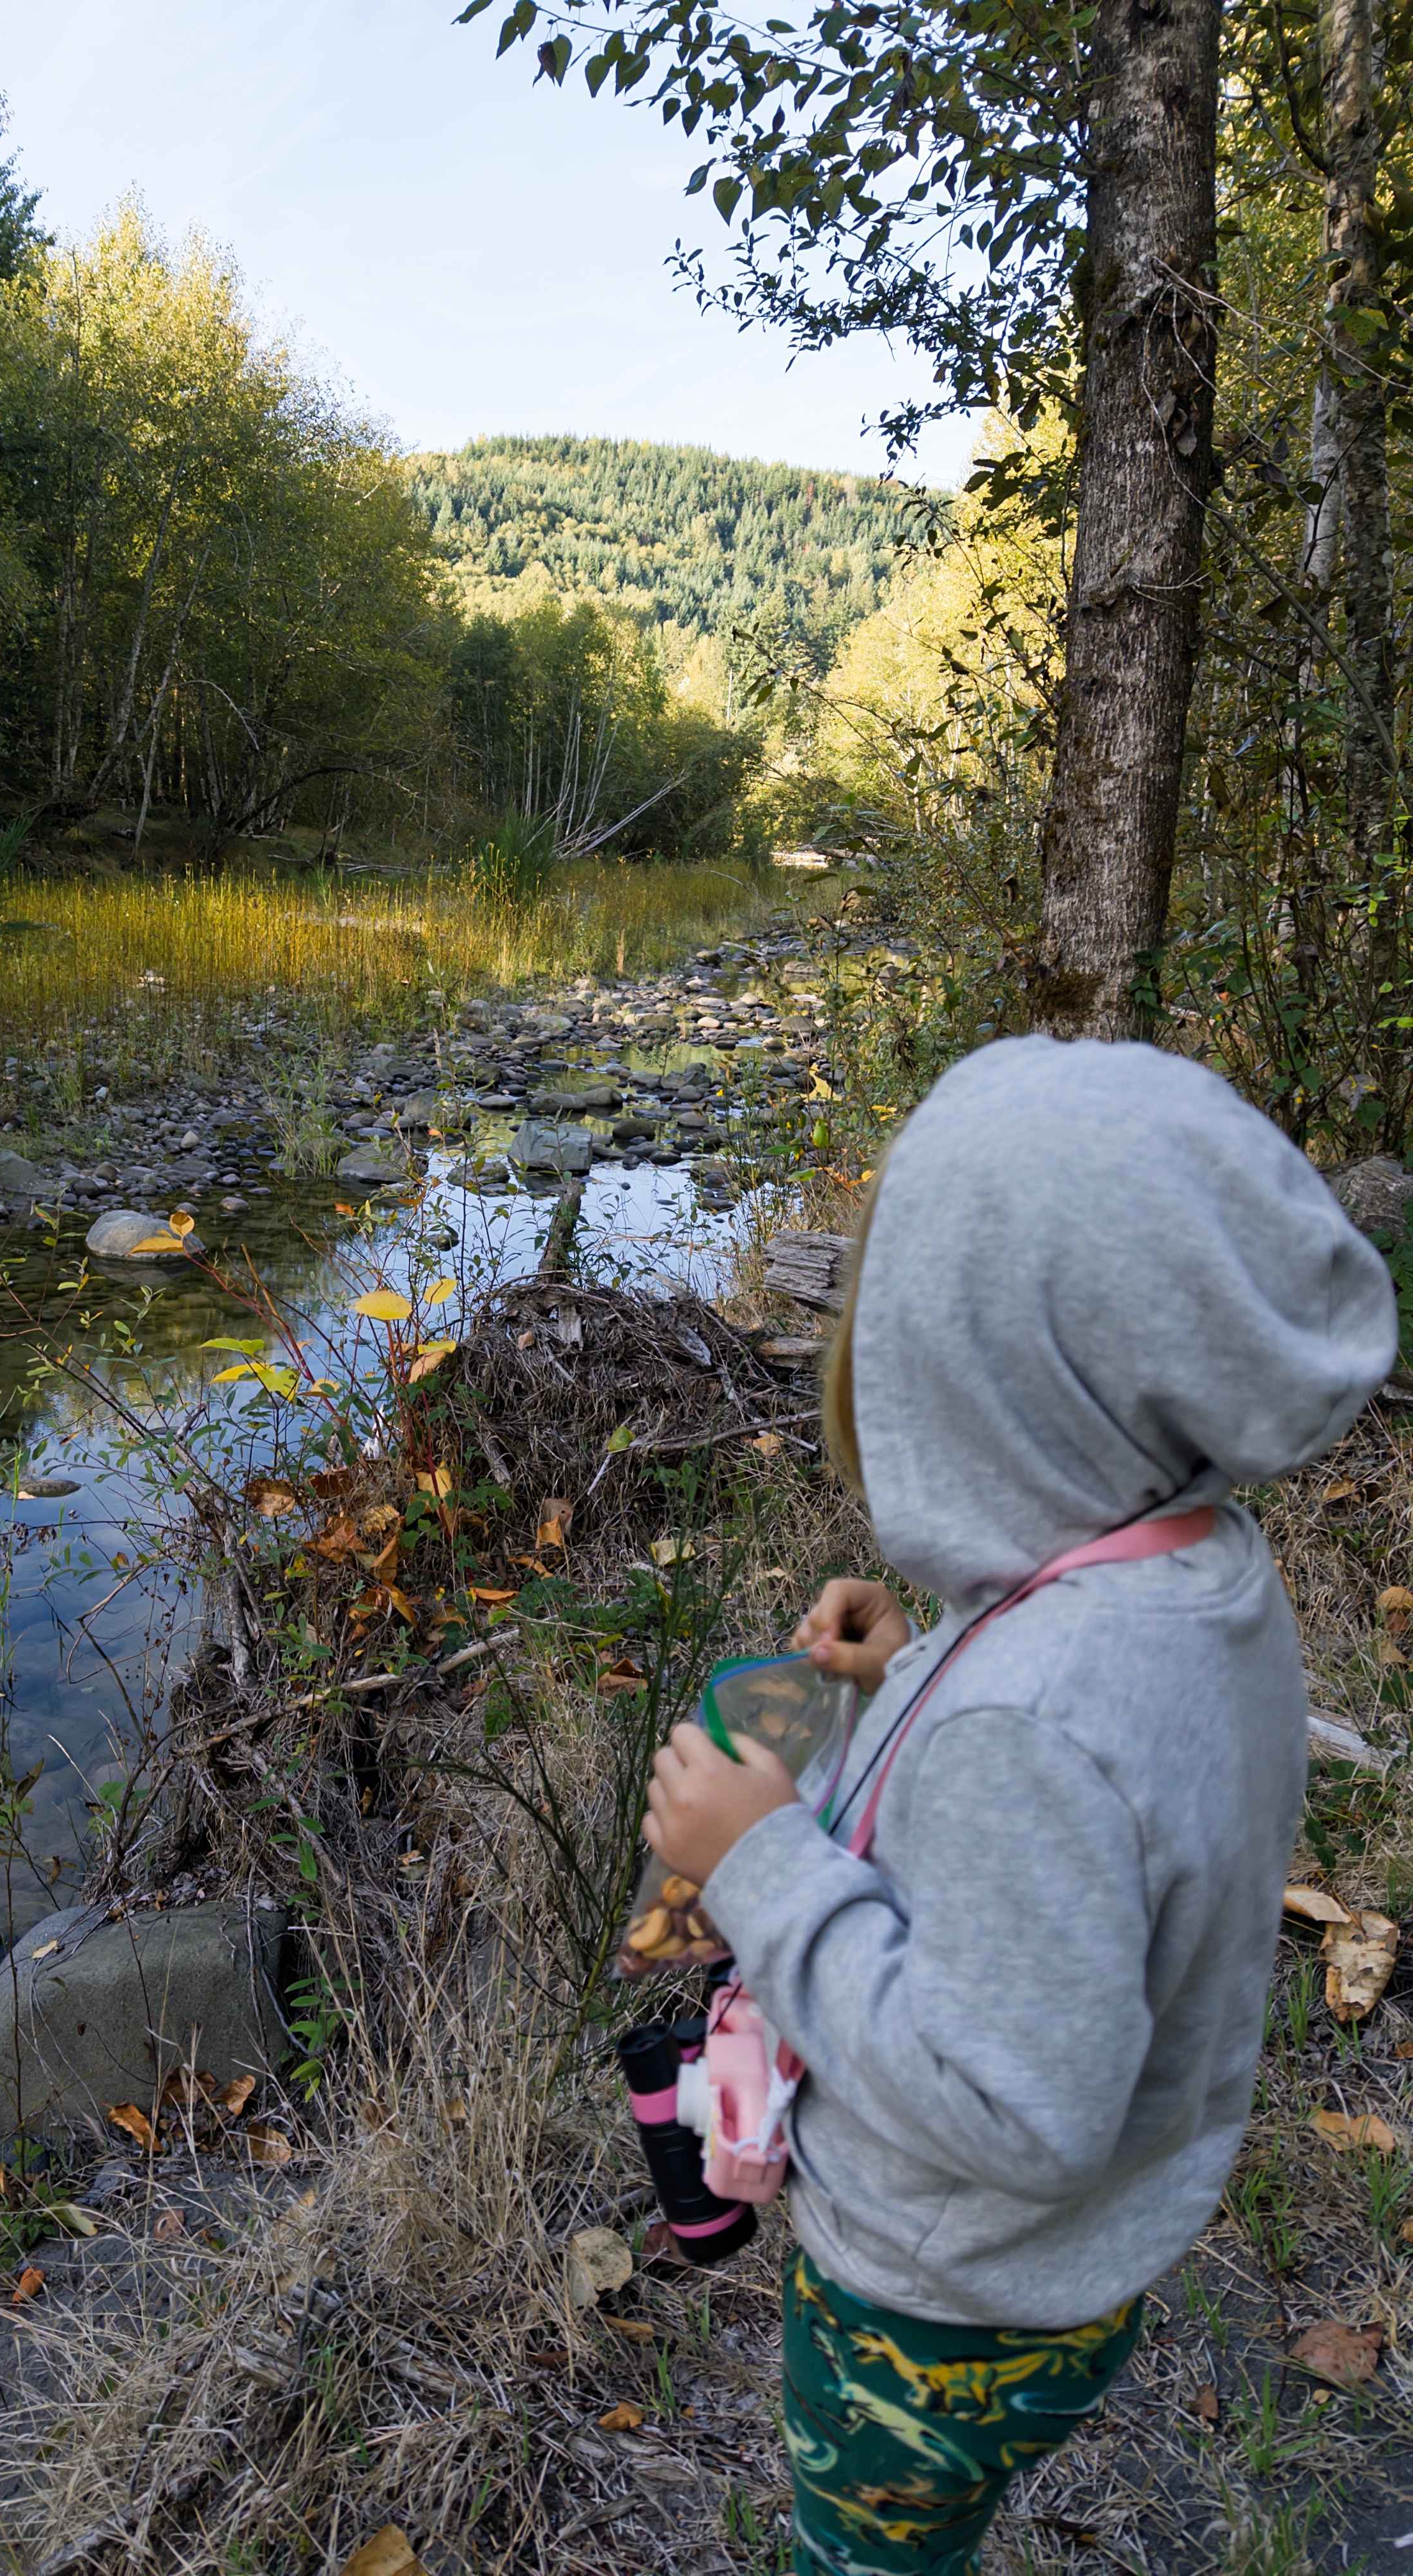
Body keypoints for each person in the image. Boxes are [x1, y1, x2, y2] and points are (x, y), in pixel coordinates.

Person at [640, 1036, 1399, 2576]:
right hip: (1063, 2282)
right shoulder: (1199, 1575)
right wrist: (921, 1662)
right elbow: (1109, 1803)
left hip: (934, 2318)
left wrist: (760, 1865)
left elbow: (1021, 2109)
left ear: (992, 1385)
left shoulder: (1031, 1726)